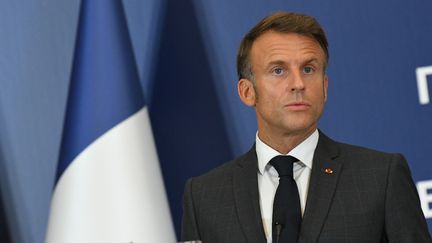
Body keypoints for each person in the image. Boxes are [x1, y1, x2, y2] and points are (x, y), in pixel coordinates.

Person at [181, 11, 432, 243]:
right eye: (278, 70)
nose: (298, 83)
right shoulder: (204, 196)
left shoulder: (381, 177)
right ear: (247, 92)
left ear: (324, 87)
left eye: (308, 69)